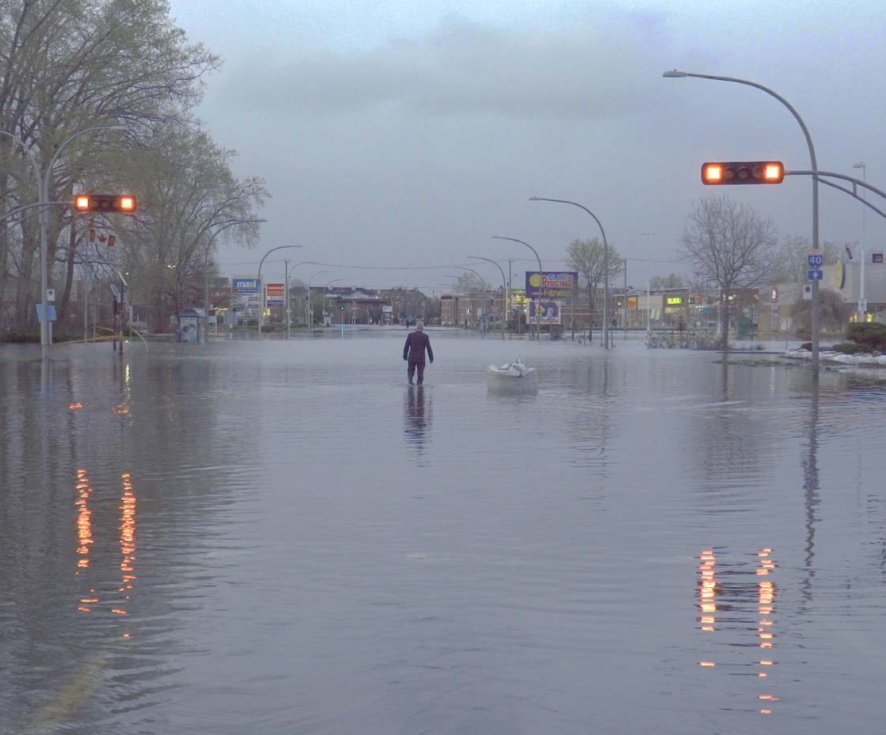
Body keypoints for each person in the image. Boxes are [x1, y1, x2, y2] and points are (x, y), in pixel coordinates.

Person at [403, 320, 433, 385]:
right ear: (422, 328)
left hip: (412, 357)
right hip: (421, 358)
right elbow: (429, 348)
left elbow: (406, 346)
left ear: (416, 327)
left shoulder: (410, 336)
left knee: (410, 371)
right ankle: (419, 385)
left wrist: (405, 356)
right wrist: (431, 358)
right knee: (420, 372)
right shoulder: (425, 337)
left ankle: (410, 381)